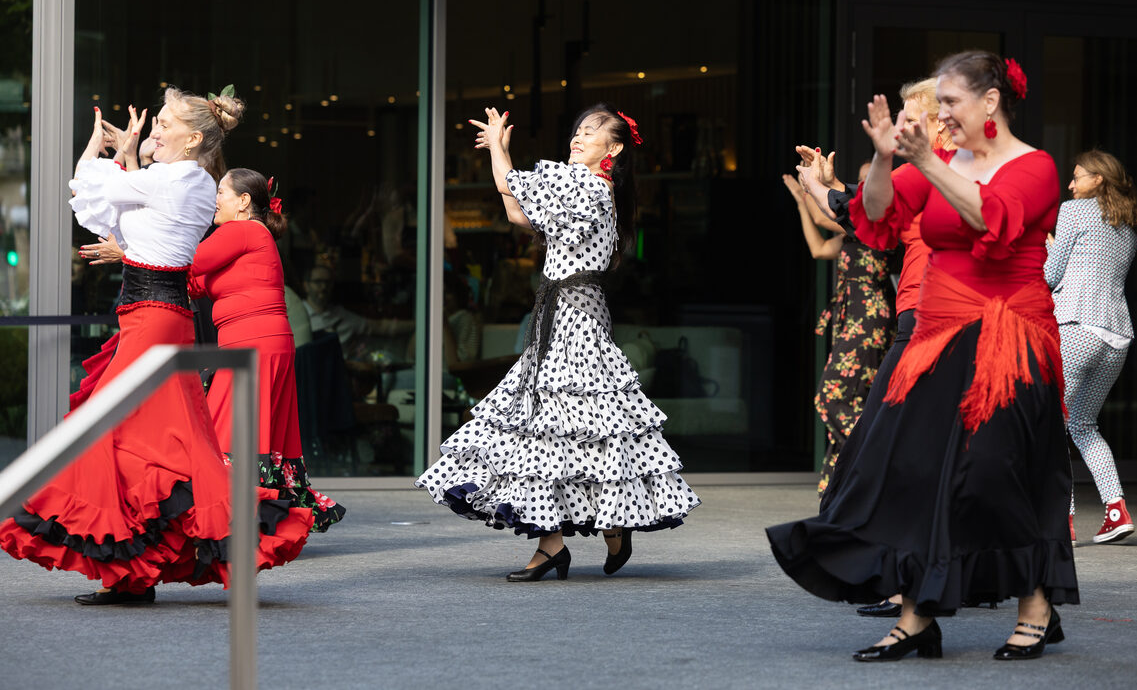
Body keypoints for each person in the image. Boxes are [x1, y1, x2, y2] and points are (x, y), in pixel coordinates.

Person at [767, 51, 1077, 660]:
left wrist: (927, 161)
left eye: (953, 103)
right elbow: (875, 214)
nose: (945, 116)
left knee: (993, 470)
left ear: (990, 103)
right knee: (908, 467)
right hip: (936, 330)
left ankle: (1035, 601)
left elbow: (990, 218)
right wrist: (885, 157)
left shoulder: (1034, 166)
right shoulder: (940, 162)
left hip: (1008, 334)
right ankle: (915, 616)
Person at [0, 88, 313, 604]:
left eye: (164, 123)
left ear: (193, 138)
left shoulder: (180, 178)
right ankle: (135, 573)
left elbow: (86, 183)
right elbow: (111, 204)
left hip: (154, 323)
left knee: (116, 437)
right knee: (150, 445)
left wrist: (106, 148)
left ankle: (146, 566)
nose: (155, 131)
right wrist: (127, 151)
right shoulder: (183, 179)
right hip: (152, 319)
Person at [416, 104, 700, 581]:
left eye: (590, 132)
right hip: (560, 319)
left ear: (614, 148)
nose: (577, 137)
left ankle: (595, 530)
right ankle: (561, 543)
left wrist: (503, 153)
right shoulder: (584, 190)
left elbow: (512, 190)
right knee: (555, 428)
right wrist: (500, 153)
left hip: (576, 322)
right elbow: (515, 209)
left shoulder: (589, 186)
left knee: (572, 425)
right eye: (577, 130)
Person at [799, 77, 958, 619]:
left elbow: (865, 220)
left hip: (935, 319)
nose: (904, 127)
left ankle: (913, 579)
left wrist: (828, 187)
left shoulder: (955, 170)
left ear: (940, 121)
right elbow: (864, 215)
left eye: (912, 117)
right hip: (917, 314)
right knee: (918, 450)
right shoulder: (923, 172)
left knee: (901, 444)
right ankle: (917, 582)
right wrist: (823, 187)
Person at [188, 168, 347, 532]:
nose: (215, 200)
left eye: (221, 193)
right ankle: (260, 517)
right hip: (258, 342)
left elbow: (189, 262)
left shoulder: (242, 230)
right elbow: (195, 281)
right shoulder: (246, 235)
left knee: (227, 429)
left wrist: (134, 250)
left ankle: (237, 517)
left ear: (243, 202)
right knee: (249, 428)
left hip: (253, 344)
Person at [782, 163, 895, 498]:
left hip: (870, 321)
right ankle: (838, 490)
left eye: (866, 181)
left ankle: (878, 457)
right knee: (853, 402)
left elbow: (822, 218)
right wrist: (804, 201)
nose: (859, 186)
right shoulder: (851, 233)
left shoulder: (879, 226)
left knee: (830, 399)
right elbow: (818, 248)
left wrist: (808, 189)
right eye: (859, 180)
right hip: (852, 320)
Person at [1044, 149, 1137, 545]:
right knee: (1082, 424)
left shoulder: (1074, 212)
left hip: (1076, 328)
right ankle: (1115, 510)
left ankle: (1061, 520)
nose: (1071, 184)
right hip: (1116, 336)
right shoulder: (1127, 227)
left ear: (1098, 179)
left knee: (1050, 425)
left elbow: (1051, 275)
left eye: (1077, 176)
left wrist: (1049, 249)